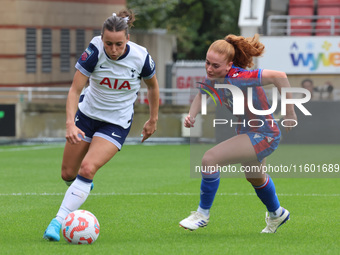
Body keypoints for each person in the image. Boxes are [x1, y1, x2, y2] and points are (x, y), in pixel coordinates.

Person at [43, 10, 159, 241]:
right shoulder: (94, 51)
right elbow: (75, 90)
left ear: (127, 38)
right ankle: (82, 185)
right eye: (108, 44)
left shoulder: (141, 56)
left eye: (118, 44)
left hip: (116, 122)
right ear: (102, 39)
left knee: (87, 169)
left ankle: (57, 222)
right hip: (87, 116)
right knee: (68, 173)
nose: (113, 50)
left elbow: (153, 88)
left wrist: (152, 119)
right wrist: (70, 123)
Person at [179, 34, 297, 233]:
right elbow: (201, 96)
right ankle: (277, 213)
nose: (209, 69)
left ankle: (202, 214)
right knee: (255, 178)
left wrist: (290, 111)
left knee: (210, 159)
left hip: (264, 134)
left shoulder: (240, 77)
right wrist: (192, 115)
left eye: (215, 66)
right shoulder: (214, 78)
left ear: (229, 65)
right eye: (207, 62)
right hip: (250, 131)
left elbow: (280, 76)